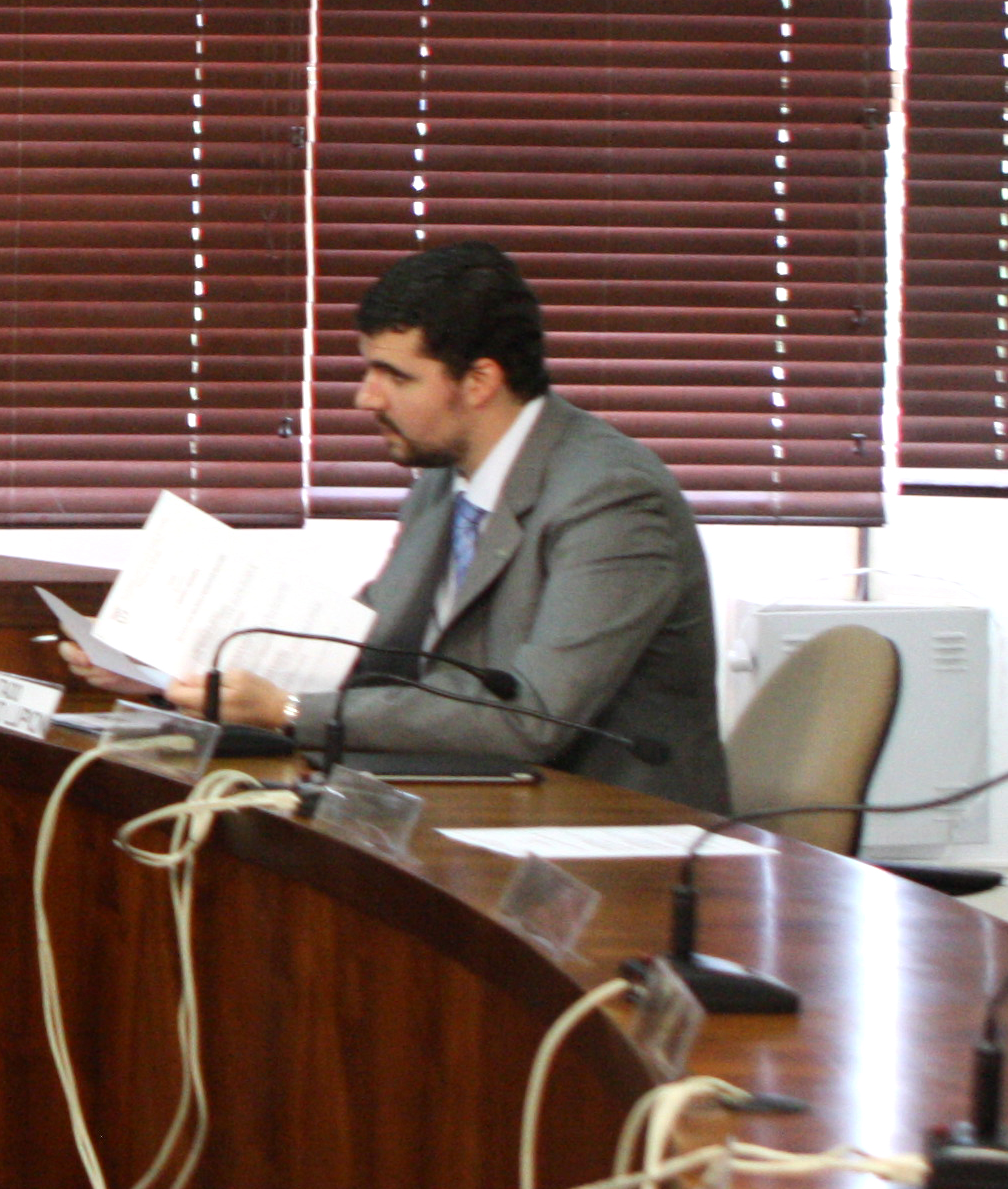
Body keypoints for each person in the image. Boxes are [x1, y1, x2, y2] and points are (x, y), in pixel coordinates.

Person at [140, 240, 729, 811]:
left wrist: (291, 710)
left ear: (479, 382)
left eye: (395, 377)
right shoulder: (445, 481)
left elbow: (533, 717)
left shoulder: (611, 497)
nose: (366, 398)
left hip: (613, 827)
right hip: (469, 798)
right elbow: (365, 646)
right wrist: (171, 671)